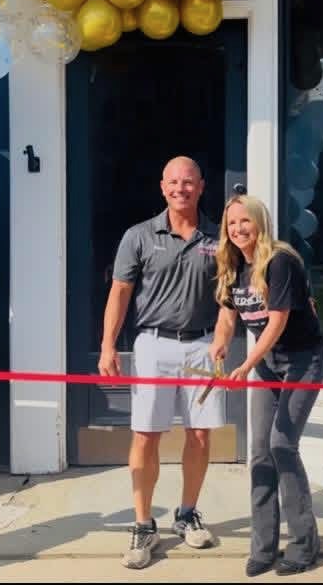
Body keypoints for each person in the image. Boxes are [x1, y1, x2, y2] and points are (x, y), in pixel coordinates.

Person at [98, 156, 224, 570]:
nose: (180, 189)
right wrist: (107, 346)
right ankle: (142, 524)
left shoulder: (218, 236)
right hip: (153, 345)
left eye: (188, 182)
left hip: (201, 347)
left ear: (201, 186)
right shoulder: (138, 236)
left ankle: (186, 514)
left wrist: (223, 343)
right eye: (173, 182)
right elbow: (119, 293)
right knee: (145, 436)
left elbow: (230, 296)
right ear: (162, 186)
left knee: (201, 436)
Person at [209, 194, 323, 578]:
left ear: (260, 222)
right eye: (231, 224)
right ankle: (263, 547)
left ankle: (304, 544)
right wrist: (221, 342)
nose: (238, 229)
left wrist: (246, 364)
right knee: (259, 451)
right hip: (267, 364)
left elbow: (275, 323)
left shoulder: (280, 262)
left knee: (282, 446)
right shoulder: (232, 264)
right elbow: (228, 312)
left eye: (245, 221)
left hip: (301, 359)